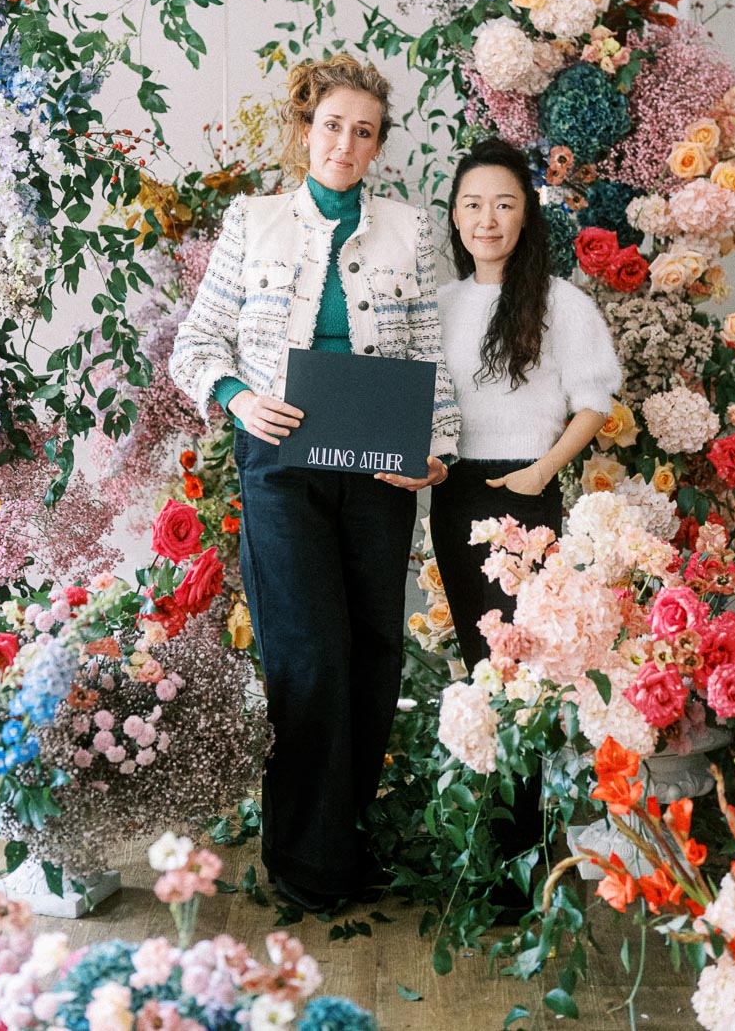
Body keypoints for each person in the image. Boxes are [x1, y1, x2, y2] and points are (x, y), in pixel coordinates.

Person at [170, 53, 459, 911]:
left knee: (373, 655)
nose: (345, 142)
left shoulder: (410, 231)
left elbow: (431, 359)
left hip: (377, 467)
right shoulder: (252, 222)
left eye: (363, 131)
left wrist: (432, 450)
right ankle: (301, 863)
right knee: (309, 656)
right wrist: (236, 398)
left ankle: (343, 844)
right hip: (281, 463)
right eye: (332, 124)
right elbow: (198, 345)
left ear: (377, 147)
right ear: (306, 130)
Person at [430, 137, 621, 914]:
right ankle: (496, 849)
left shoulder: (561, 302)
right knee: (481, 669)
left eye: (504, 203)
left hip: (526, 495)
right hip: (456, 497)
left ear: (526, 214)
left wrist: (544, 471)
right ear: (454, 215)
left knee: (525, 678)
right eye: (473, 203)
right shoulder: (441, 303)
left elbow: (595, 400)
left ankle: (526, 861)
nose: (488, 218)